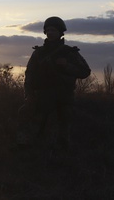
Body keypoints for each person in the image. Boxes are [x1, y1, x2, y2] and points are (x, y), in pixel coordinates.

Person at [16, 16, 91, 150]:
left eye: (54, 30)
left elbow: (85, 72)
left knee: (63, 131)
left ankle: (62, 155)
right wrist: (28, 95)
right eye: (48, 30)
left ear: (60, 32)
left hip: (63, 98)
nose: (50, 33)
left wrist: (67, 65)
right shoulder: (38, 53)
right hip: (41, 96)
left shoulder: (70, 53)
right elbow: (29, 75)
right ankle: (25, 148)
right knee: (27, 117)